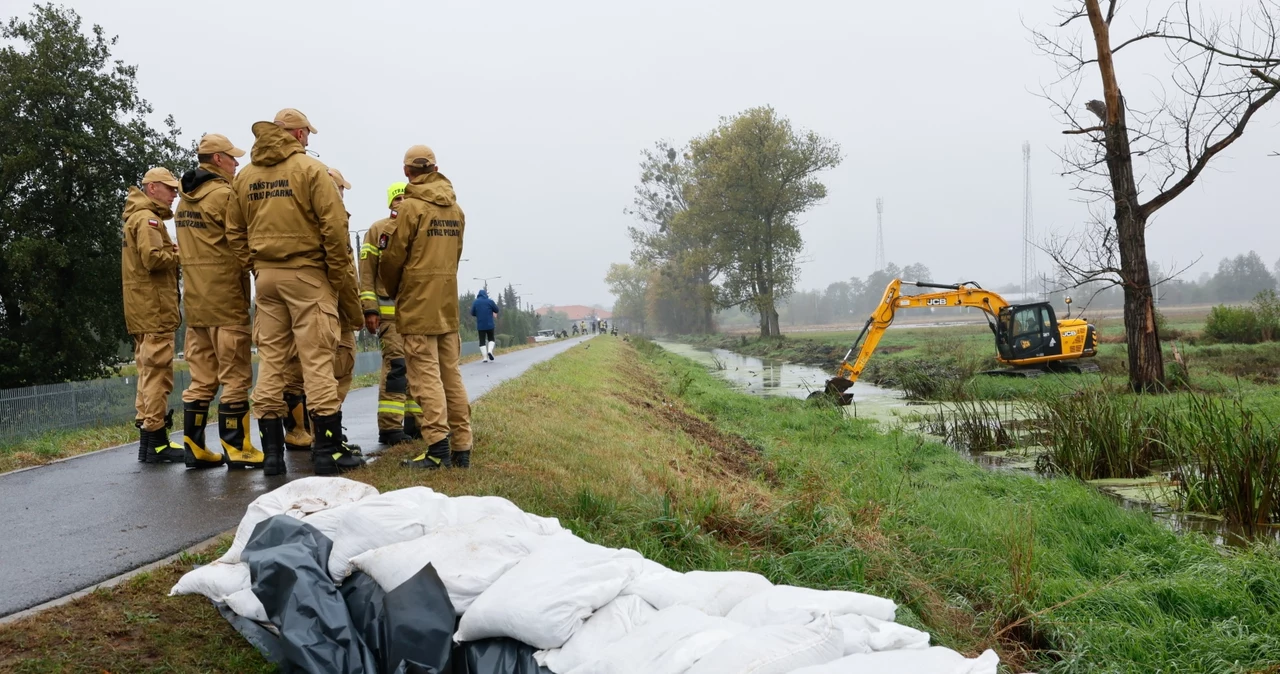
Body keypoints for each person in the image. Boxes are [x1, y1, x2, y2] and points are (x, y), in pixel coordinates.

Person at [225, 108, 364, 476]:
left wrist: (255, 265)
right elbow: (335, 229)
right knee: (317, 359)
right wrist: (334, 276)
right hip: (308, 275)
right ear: (298, 135)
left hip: (266, 280)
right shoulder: (312, 171)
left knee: (271, 360)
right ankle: (327, 452)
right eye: (307, 134)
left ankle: (272, 455)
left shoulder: (245, 176)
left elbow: (233, 231)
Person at [380, 144, 472, 470]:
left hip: (418, 303)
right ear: (435, 168)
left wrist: (393, 289)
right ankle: (462, 446)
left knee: (425, 375)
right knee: (451, 375)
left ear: (407, 172)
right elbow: (456, 256)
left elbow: (393, 258)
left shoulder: (411, 208)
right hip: (447, 302)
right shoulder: (456, 209)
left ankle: (436, 447)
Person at [175, 134, 262, 470]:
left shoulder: (183, 200)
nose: (237, 163)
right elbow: (242, 238)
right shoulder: (224, 196)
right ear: (216, 159)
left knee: (201, 378)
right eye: (232, 158)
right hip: (226, 300)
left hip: (195, 304)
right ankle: (237, 447)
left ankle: (194, 447)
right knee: (236, 376)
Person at [122, 167, 185, 464]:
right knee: (159, 374)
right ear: (152, 188)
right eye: (169, 189)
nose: (174, 194)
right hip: (154, 309)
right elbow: (152, 259)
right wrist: (178, 254)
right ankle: (157, 440)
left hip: (141, 309)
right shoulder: (148, 220)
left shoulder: (136, 217)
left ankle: (148, 443)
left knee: (147, 373)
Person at [360, 182, 415, 445]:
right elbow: (367, 272)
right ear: (390, 203)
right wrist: (369, 309)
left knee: (418, 368)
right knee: (397, 367)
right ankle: (391, 428)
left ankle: (416, 423)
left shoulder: (418, 227)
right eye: (398, 198)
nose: (402, 202)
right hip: (388, 315)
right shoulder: (377, 230)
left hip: (416, 314)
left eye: (407, 197)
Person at [471, 288, 499, 362]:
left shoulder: (475, 302)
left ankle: (485, 357)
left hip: (480, 325)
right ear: (485, 295)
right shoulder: (490, 301)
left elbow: (472, 313)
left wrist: (478, 313)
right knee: (491, 339)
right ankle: (490, 351)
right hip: (490, 324)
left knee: (482, 341)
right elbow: (497, 310)